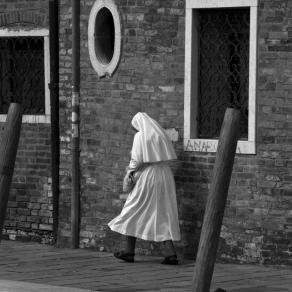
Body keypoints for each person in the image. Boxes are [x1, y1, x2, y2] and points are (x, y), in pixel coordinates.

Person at [108, 112, 181, 265]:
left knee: (132, 209)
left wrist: (130, 173)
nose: (134, 130)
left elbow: (136, 159)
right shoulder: (160, 134)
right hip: (165, 174)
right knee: (162, 212)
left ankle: (129, 251)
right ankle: (170, 254)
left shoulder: (140, 136)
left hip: (148, 176)